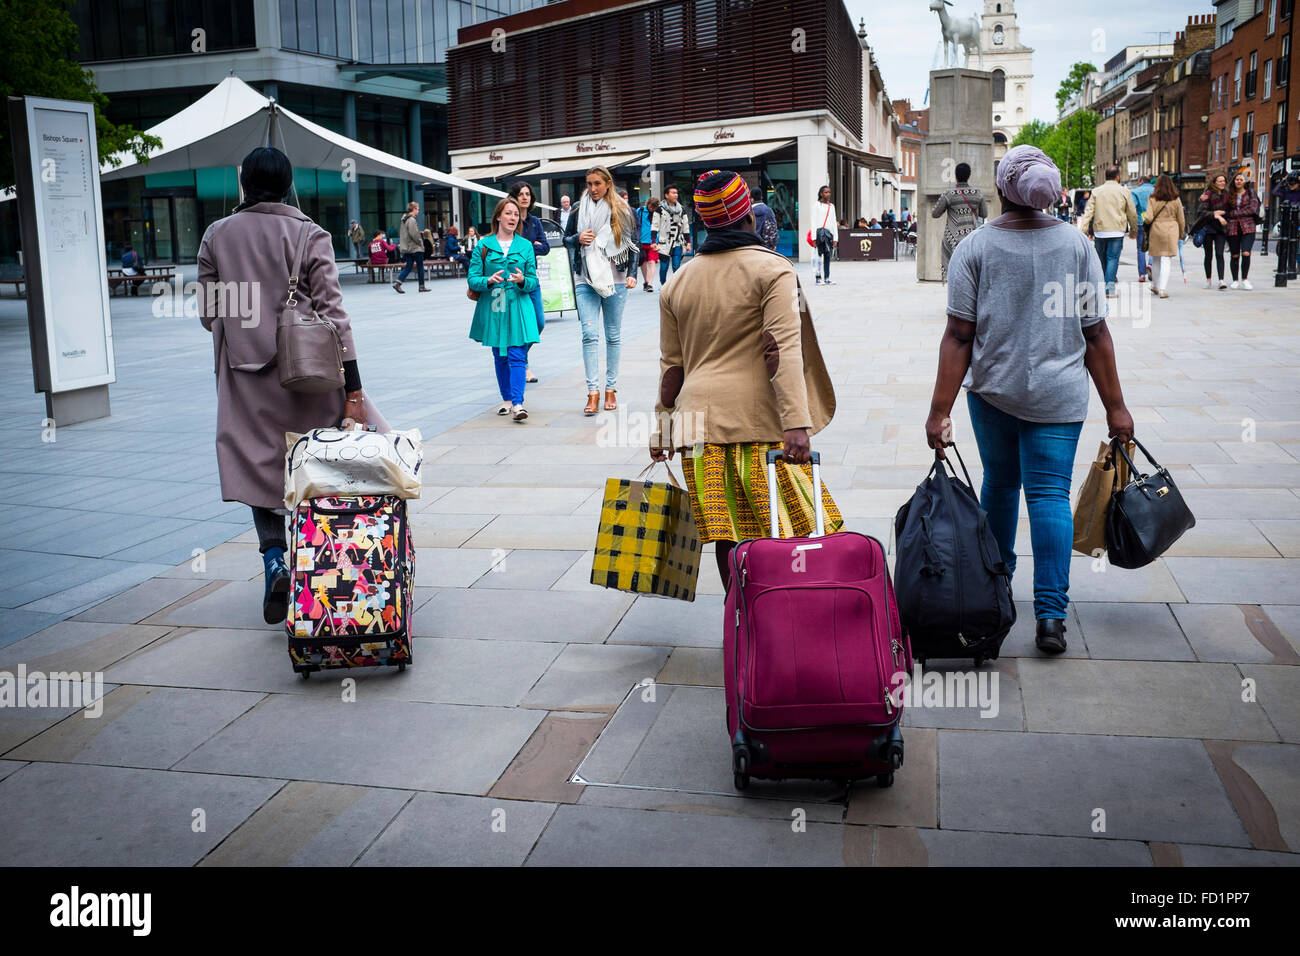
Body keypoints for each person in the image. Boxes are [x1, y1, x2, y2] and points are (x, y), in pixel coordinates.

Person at [924, 145, 1134, 655]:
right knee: (1049, 496)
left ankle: (996, 594)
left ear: (1002, 189)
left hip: (993, 394)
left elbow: (959, 335)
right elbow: (1096, 333)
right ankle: (1051, 617)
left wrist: (939, 411)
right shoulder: (1078, 246)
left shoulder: (975, 248)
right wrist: (1116, 407)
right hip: (1059, 397)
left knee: (999, 488)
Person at [197, 146, 370, 625]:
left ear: (244, 184)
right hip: (309, 374)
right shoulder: (310, 234)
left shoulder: (217, 235)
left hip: (245, 376)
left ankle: (275, 559)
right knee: (317, 464)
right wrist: (354, 391)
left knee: (261, 470)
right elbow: (335, 315)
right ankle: (325, 570)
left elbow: (209, 313)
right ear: (288, 183)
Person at [651, 169, 840, 591]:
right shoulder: (772, 270)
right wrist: (797, 422)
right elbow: (781, 350)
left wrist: (662, 430)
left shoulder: (677, 282)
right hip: (759, 425)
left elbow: (671, 368)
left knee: (727, 534)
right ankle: (777, 610)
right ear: (749, 217)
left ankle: (739, 613)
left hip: (697, 430)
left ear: (704, 221)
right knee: (783, 528)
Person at [563, 165, 639, 415]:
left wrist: (632, 274)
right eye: (589, 184)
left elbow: (633, 243)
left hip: (615, 278)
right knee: (589, 335)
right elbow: (566, 239)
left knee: (613, 336)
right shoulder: (578, 208)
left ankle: (610, 389)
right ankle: (593, 391)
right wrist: (577, 239)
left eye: (597, 183)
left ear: (608, 184)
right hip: (585, 277)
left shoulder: (622, 209)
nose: (593, 188)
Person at [467, 196, 539, 423]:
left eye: (516, 214)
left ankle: (518, 404)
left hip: (518, 305)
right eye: (508, 213)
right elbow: (472, 278)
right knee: (499, 355)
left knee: (517, 353)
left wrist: (522, 280)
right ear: (498, 216)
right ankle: (507, 399)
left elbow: (533, 280)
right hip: (495, 305)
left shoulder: (526, 246)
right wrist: (488, 280)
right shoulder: (483, 246)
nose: (513, 217)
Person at [507, 181, 550, 383]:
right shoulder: (510, 221)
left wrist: (528, 247)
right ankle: (521, 365)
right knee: (517, 324)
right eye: (521, 194)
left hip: (531, 280)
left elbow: (546, 248)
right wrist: (532, 245)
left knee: (538, 323)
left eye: (528, 194)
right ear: (514, 197)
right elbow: (509, 247)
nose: (525, 197)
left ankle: (519, 358)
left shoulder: (535, 222)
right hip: (512, 280)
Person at [1078, 167, 1138, 297]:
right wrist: (1134, 230)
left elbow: (1088, 212)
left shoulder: (1096, 191)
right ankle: (1109, 290)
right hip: (1117, 231)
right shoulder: (1124, 191)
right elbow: (1132, 213)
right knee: (1112, 259)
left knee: (1100, 259)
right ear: (1117, 176)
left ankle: (1100, 288)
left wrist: (1083, 229)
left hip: (1100, 231)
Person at [930, 163, 987, 280]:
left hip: (953, 239)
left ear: (956, 176)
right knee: (972, 273)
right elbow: (984, 214)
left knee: (954, 272)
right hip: (972, 237)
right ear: (969, 176)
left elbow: (935, 214)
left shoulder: (949, 194)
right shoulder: (977, 193)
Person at [1141, 174, 1186, 300]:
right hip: (1171, 229)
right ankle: (1162, 289)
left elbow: (1148, 217)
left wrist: (1145, 221)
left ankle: (1155, 285)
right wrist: (1181, 233)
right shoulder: (1176, 199)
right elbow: (1181, 219)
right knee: (1166, 260)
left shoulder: (1152, 198)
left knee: (1156, 259)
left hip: (1156, 230)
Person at [1225, 170, 1260, 290]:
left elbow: (1252, 209)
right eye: (1237, 179)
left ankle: (1245, 279)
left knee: (1246, 253)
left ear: (1245, 181)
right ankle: (1235, 280)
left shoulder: (1251, 193)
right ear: (1234, 181)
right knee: (1234, 255)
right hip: (1233, 227)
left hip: (1248, 227)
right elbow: (1225, 210)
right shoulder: (1229, 194)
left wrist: (1234, 213)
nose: (1239, 181)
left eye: (1241, 179)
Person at [1193, 174, 1230, 289]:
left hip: (1221, 229)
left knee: (1220, 254)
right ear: (1214, 183)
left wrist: (1223, 214)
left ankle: (1221, 280)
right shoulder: (1208, 194)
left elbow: (1230, 210)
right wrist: (1215, 214)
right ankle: (1208, 280)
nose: (1222, 183)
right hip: (1208, 228)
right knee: (1208, 255)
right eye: (1219, 181)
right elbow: (1201, 212)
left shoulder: (1227, 195)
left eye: (1223, 181)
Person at [653, 185, 692, 286]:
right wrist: (653, 242)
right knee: (664, 267)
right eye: (673, 193)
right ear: (666, 195)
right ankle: (664, 286)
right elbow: (655, 226)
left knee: (676, 267)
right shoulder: (659, 209)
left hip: (678, 242)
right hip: (664, 243)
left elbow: (685, 227)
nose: (676, 195)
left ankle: (675, 288)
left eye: (676, 193)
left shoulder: (681, 209)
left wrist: (688, 242)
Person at [393, 201, 428, 293]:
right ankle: (421, 286)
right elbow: (414, 234)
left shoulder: (404, 219)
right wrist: (420, 242)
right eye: (418, 209)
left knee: (409, 266)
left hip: (407, 247)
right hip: (415, 247)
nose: (418, 211)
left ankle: (398, 283)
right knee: (420, 266)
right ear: (414, 209)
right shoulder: (411, 220)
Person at [1131, 175, 1156, 281]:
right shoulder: (1156, 190)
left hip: (1141, 222)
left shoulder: (1135, 192)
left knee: (1141, 249)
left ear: (1141, 181)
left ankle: (1142, 275)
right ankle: (1150, 264)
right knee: (1153, 246)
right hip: (1154, 222)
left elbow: (1133, 208)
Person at [812, 185, 837, 284]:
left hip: (828, 234)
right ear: (821, 194)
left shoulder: (832, 206)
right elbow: (813, 221)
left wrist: (835, 238)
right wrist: (814, 238)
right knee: (818, 256)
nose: (828, 194)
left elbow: (834, 221)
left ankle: (827, 278)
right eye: (826, 192)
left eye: (829, 192)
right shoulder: (816, 205)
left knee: (827, 256)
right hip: (819, 233)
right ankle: (818, 278)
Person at [636, 196, 660, 291]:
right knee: (643, 262)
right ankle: (646, 281)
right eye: (651, 206)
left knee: (652, 261)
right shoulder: (641, 211)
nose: (652, 208)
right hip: (642, 241)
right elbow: (635, 224)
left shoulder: (658, 213)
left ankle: (650, 283)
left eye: (654, 207)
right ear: (648, 204)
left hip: (654, 242)